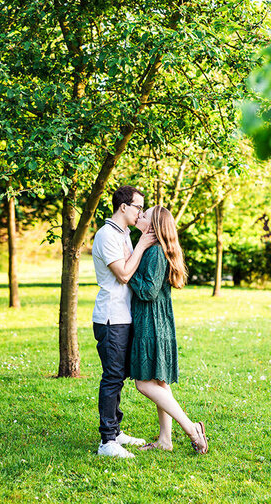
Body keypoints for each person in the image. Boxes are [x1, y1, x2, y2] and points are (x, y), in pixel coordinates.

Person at [128, 205, 208, 455]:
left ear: (153, 226)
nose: (139, 216)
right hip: (159, 322)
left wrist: (124, 271)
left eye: (145, 214)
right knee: (160, 382)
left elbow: (148, 291)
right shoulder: (155, 249)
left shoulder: (154, 252)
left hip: (151, 323)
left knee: (143, 383)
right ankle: (165, 441)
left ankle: (192, 429)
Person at [92, 185, 156, 459]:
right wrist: (142, 244)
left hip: (124, 316)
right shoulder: (107, 235)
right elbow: (124, 275)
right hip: (110, 318)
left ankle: (116, 432)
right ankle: (107, 441)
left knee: (119, 377)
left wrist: (139, 240)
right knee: (112, 377)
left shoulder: (124, 234)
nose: (141, 212)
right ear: (123, 207)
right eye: (138, 207)